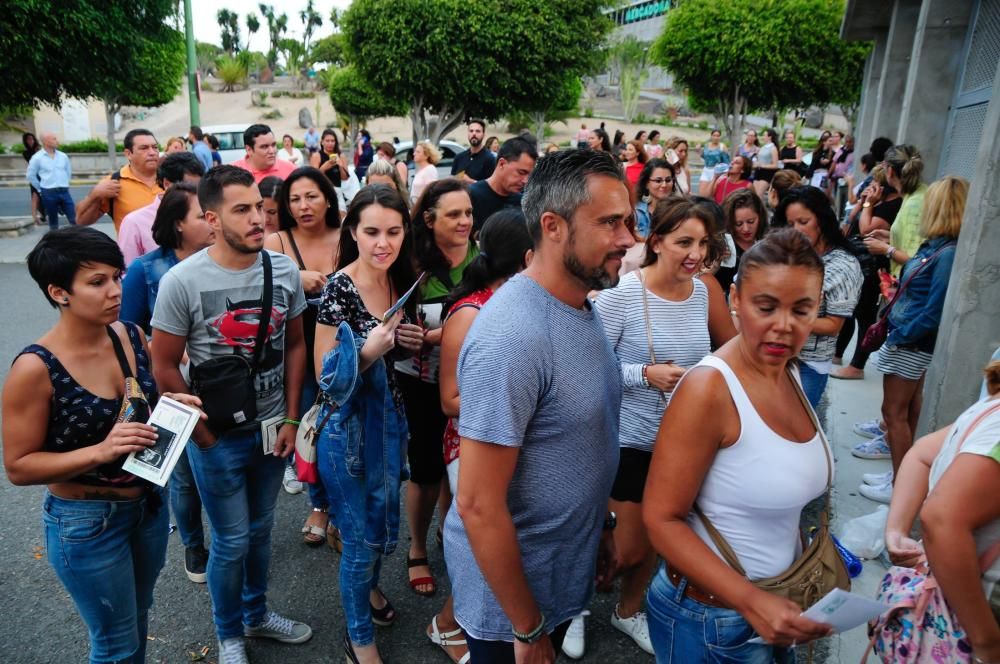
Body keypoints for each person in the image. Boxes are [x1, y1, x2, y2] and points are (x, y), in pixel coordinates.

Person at [444, 149, 632, 662]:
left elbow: (580, 441)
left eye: (629, 221)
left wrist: (603, 527)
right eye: (610, 223)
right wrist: (526, 629)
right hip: (513, 604)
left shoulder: (580, 305)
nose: (628, 239)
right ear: (552, 225)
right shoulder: (512, 337)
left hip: (561, 568)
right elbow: (478, 505)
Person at [3, 226, 203, 663]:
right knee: (114, 643)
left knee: (136, 618)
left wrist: (171, 404)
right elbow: (18, 467)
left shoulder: (129, 336)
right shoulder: (34, 368)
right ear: (59, 292)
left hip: (147, 506)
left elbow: (135, 405)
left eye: (117, 275)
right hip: (85, 523)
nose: (115, 290)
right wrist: (102, 451)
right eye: (97, 282)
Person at [643, 227, 836, 662]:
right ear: (735, 299)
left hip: (772, 610)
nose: (783, 327)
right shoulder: (709, 389)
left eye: (801, 310)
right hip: (709, 622)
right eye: (765, 307)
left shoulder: (787, 370)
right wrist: (753, 602)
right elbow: (661, 520)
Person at [150, 166, 312, 663]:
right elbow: (162, 365)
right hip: (217, 435)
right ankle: (230, 635)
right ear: (212, 219)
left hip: (270, 430)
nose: (257, 218)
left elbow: (297, 345)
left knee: (261, 530)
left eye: (260, 208)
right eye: (242, 210)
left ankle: (257, 613)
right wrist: (202, 435)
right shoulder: (182, 281)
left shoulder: (282, 269)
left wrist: (289, 419)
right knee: (232, 539)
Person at [594, 196, 734, 657]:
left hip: (684, 440)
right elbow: (589, 369)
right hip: (629, 437)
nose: (695, 253)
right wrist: (644, 374)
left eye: (703, 243)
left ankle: (628, 611)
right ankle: (572, 610)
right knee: (624, 547)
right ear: (656, 242)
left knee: (661, 535)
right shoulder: (623, 296)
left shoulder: (706, 290)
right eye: (684, 242)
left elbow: (729, 353)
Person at [313, 186, 424, 664]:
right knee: (361, 541)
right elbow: (325, 375)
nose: (384, 242)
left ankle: (372, 591)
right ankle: (359, 640)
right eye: (372, 231)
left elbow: (393, 348)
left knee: (377, 526)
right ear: (353, 231)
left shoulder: (397, 279)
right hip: (347, 432)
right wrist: (367, 352)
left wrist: (409, 341)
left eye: (394, 231)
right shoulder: (339, 286)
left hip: (389, 422)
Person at [434, 209, 535, 664]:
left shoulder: (529, 301)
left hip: (514, 438)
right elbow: (450, 400)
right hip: (471, 442)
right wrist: (515, 406)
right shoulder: (470, 312)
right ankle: (449, 623)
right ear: (527, 258)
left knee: (512, 541)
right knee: (483, 545)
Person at [118, 183, 215, 585]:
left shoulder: (221, 262)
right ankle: (194, 543)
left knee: (222, 461)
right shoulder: (146, 269)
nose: (212, 222)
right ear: (177, 224)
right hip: (171, 386)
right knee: (184, 474)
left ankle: (233, 540)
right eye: (200, 216)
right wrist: (167, 348)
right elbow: (127, 331)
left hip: (220, 384)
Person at [854, 176, 967, 503]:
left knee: (893, 413)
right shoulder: (937, 246)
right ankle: (900, 477)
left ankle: (901, 485)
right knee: (906, 412)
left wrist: (900, 336)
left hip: (911, 343)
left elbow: (934, 310)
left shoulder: (945, 253)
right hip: (909, 339)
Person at [882, 360, 1000, 664]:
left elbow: (922, 452)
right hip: (977, 613)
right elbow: (941, 518)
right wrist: (986, 640)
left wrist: (896, 530)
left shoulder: (990, 406)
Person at [398, 178, 479, 598]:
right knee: (427, 468)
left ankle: (451, 535)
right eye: (454, 214)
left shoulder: (484, 259)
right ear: (429, 220)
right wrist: (411, 335)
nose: (465, 221)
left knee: (462, 466)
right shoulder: (410, 265)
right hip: (422, 381)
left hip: (474, 382)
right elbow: (387, 319)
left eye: (468, 212)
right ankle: (416, 547)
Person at [263, 167, 341, 543]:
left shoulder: (349, 236)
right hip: (299, 348)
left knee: (347, 428)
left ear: (328, 197)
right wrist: (297, 277)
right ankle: (320, 505)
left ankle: (343, 505)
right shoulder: (277, 242)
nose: (303, 206)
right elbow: (260, 284)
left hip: (347, 350)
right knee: (312, 428)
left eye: (311, 196)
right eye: (294, 199)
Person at [771, 186, 863, 408]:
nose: (796, 230)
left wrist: (785, 316)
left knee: (793, 428)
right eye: (790, 224)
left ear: (821, 220)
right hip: (772, 356)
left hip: (807, 365)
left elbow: (833, 325)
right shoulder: (787, 253)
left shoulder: (843, 265)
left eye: (803, 221)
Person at [832, 165, 902, 380]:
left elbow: (865, 229)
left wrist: (869, 204)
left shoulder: (890, 206)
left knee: (864, 315)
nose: (869, 188)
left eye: (872, 185)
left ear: (882, 187)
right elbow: (850, 221)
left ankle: (857, 366)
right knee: (850, 310)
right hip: (859, 262)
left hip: (873, 267)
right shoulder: (873, 203)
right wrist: (862, 202)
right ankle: (838, 355)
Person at [118, 151, 205, 265]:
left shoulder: (208, 214)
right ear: (167, 184)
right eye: (188, 186)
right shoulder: (134, 222)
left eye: (199, 186)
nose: (195, 192)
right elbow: (126, 270)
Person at [76, 129, 164, 233]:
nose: (152, 152)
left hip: (173, 248)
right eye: (144, 148)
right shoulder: (114, 182)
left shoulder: (172, 178)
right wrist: (94, 195)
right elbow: (81, 221)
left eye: (155, 147)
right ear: (128, 154)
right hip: (133, 249)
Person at [863, 144, 926, 278]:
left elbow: (916, 261)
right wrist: (890, 237)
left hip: (909, 285)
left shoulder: (914, 204)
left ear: (890, 171)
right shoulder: (914, 195)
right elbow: (913, 240)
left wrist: (886, 249)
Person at [469, 137, 537, 233]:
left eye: (529, 175)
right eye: (521, 172)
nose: (526, 181)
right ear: (502, 164)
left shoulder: (522, 202)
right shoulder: (471, 196)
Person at [713, 188, 768, 293]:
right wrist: (715, 264)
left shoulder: (769, 242)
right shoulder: (722, 243)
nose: (746, 229)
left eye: (751, 222)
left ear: (760, 217)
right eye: (738, 224)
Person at [26, 132, 76, 230]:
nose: (57, 141)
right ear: (46, 141)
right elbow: (30, 175)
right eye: (54, 139)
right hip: (48, 192)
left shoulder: (63, 156)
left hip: (64, 191)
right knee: (53, 222)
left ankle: (79, 240)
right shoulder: (37, 158)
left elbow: (68, 172)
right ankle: (54, 242)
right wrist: (40, 189)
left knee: (74, 219)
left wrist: (65, 183)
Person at [231, 124, 295, 183]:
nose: (271, 151)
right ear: (249, 149)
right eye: (264, 147)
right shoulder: (232, 173)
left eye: (273, 145)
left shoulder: (291, 170)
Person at [633, 159, 677, 240]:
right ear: (646, 183)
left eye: (668, 180)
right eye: (658, 180)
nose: (664, 185)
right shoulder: (634, 212)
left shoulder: (679, 212)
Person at [451, 120, 496, 184]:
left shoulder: (490, 159)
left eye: (478, 131)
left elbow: (493, 186)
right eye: (471, 131)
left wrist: (471, 181)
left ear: (483, 134)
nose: (474, 134)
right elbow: (453, 181)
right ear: (468, 133)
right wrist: (457, 178)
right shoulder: (459, 157)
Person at [697, 129, 730, 197]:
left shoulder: (722, 146)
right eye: (714, 135)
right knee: (702, 194)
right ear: (711, 136)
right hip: (706, 170)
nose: (716, 137)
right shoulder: (706, 145)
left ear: (720, 137)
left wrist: (725, 174)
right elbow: (704, 157)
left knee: (712, 194)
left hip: (716, 172)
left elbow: (727, 162)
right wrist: (699, 150)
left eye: (718, 136)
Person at [21, 132, 43, 225]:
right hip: (34, 176)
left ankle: (43, 214)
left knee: (45, 196)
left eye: (32, 139)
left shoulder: (40, 150)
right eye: (28, 139)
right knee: (35, 196)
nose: (31, 141)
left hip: (43, 175)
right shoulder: (26, 153)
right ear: (25, 141)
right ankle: (34, 217)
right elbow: (32, 161)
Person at [752, 129, 780, 199]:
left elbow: (775, 165)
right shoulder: (763, 147)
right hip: (758, 171)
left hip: (767, 173)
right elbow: (759, 159)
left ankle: (760, 209)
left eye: (764, 135)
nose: (763, 137)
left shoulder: (773, 148)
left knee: (759, 195)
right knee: (754, 195)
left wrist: (761, 165)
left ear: (770, 137)